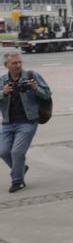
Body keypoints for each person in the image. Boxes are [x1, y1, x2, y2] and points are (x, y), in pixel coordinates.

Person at [1, 52, 51, 193]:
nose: (18, 65)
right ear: (6, 65)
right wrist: (3, 92)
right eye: (14, 63)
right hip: (7, 122)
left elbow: (47, 94)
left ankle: (18, 181)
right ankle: (21, 168)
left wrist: (35, 89)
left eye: (20, 62)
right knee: (3, 151)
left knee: (17, 152)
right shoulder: (2, 80)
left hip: (28, 121)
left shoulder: (31, 75)